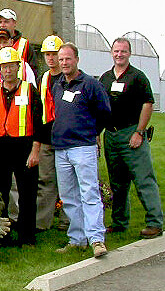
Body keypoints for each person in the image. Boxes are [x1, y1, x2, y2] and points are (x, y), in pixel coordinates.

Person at [99, 38, 163, 239]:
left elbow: (148, 104)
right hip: (111, 134)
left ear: (129, 53)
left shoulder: (137, 77)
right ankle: (119, 223)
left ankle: (155, 222)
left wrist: (139, 132)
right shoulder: (105, 78)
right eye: (116, 51)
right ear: (111, 53)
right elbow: (100, 107)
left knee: (144, 179)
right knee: (117, 183)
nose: (119, 54)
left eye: (123, 51)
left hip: (131, 133)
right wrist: (98, 134)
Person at [52, 43, 111, 258]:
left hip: (83, 147)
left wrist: (92, 132)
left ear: (77, 59)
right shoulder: (57, 85)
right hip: (62, 149)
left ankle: (96, 239)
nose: (64, 63)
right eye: (61, 60)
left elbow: (104, 112)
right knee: (69, 197)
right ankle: (77, 239)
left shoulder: (90, 84)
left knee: (89, 193)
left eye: (68, 59)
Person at [0, 47, 42, 246]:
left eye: (11, 66)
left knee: (28, 193)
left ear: (18, 67)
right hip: (0, 147)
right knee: (1, 193)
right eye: (4, 67)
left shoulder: (29, 90)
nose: (8, 70)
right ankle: (3, 235)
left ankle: (27, 236)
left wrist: (35, 151)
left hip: (24, 146)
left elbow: (38, 123)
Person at [35, 36, 69, 232]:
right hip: (47, 137)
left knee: (68, 182)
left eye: (54, 54)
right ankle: (43, 223)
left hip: (66, 138)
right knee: (45, 181)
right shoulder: (43, 78)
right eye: (47, 54)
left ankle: (66, 221)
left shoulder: (70, 78)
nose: (50, 58)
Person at [0, 28, 36, 97]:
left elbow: (33, 94)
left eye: (5, 42)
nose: (2, 46)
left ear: (11, 42)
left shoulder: (24, 67)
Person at [0, 8, 38, 73]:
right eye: (0, 22)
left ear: (15, 23)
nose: (2, 25)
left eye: (6, 22)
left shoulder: (25, 45)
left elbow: (33, 71)